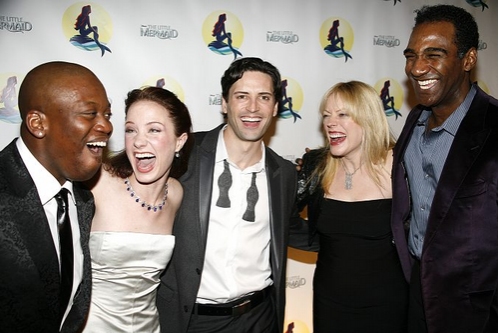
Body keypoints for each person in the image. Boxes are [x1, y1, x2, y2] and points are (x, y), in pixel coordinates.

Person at [156, 57, 298, 333]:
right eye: (242, 96)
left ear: (276, 107)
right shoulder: (184, 155)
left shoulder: (285, 173)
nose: (253, 108)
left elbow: (295, 230)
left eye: (264, 97)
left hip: (259, 317)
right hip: (193, 320)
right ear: (224, 103)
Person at [392, 4, 497, 333]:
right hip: (415, 291)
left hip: (474, 308)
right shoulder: (414, 119)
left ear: (467, 59)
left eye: (433, 54)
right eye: (412, 55)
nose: (417, 68)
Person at [0, 61, 113, 333]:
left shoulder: (82, 201)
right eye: (89, 113)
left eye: (107, 114)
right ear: (38, 123)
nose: (107, 126)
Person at [291, 81, 408, 332]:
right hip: (330, 303)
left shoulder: (401, 166)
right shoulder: (317, 165)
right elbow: (283, 215)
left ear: (368, 118)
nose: (330, 122)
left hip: (388, 305)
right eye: (326, 115)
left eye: (343, 114)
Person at [81, 86, 192, 332]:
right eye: (131, 130)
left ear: (179, 141)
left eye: (154, 130)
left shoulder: (175, 193)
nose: (139, 141)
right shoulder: (98, 182)